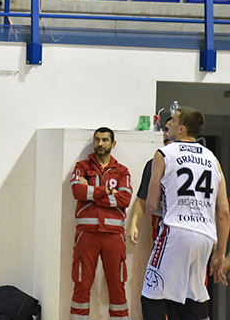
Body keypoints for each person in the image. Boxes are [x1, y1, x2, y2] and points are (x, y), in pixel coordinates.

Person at [142, 106, 230, 319]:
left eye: (172, 121)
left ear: (181, 129)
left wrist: (177, 208)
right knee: (192, 297)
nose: (169, 124)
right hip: (206, 237)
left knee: (151, 294)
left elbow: (152, 205)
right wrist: (220, 253)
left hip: (176, 231)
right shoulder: (213, 159)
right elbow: (224, 212)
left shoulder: (164, 153)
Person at [68, 128, 132, 320]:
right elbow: (77, 192)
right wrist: (107, 191)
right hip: (86, 234)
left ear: (113, 144)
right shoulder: (82, 166)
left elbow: (125, 199)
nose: (100, 144)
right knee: (81, 283)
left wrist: (94, 194)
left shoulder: (122, 171)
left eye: (105, 140)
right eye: (97, 140)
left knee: (117, 284)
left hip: (114, 235)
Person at [126, 117, 172, 246]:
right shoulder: (154, 164)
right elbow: (142, 199)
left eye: (171, 129)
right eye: (165, 129)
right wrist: (133, 224)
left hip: (190, 227)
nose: (167, 134)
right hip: (163, 226)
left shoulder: (198, 162)